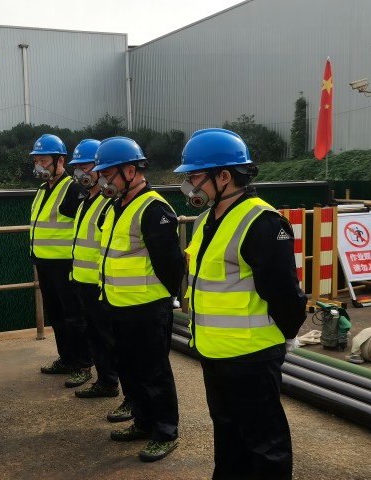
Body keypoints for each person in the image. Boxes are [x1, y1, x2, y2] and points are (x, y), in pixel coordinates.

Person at [175, 128, 307, 480]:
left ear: (224, 176)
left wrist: (287, 334)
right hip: (215, 352)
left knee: (264, 444)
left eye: (195, 177)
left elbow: (284, 291)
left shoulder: (262, 223)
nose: (189, 185)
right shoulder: (208, 220)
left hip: (252, 355)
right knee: (228, 435)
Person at [92, 136, 185, 462]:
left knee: (154, 373)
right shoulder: (116, 205)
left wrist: (165, 301)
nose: (103, 181)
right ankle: (143, 422)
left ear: (130, 171)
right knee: (129, 369)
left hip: (147, 308)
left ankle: (165, 431)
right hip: (118, 305)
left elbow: (172, 264)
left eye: (108, 174)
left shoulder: (154, 208)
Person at [67, 139, 133, 419]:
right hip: (83, 282)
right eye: (77, 167)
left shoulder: (109, 204)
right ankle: (106, 381)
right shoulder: (86, 201)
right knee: (96, 337)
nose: (80, 173)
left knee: (114, 342)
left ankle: (130, 396)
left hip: (101, 285)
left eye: (86, 167)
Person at [29, 134, 94, 388]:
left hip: (66, 265)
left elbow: (84, 227)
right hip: (45, 263)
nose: (39, 165)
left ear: (60, 161)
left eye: (44, 160)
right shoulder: (42, 190)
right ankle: (66, 359)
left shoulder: (74, 189)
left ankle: (83, 364)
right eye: (36, 161)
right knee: (56, 315)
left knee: (74, 316)